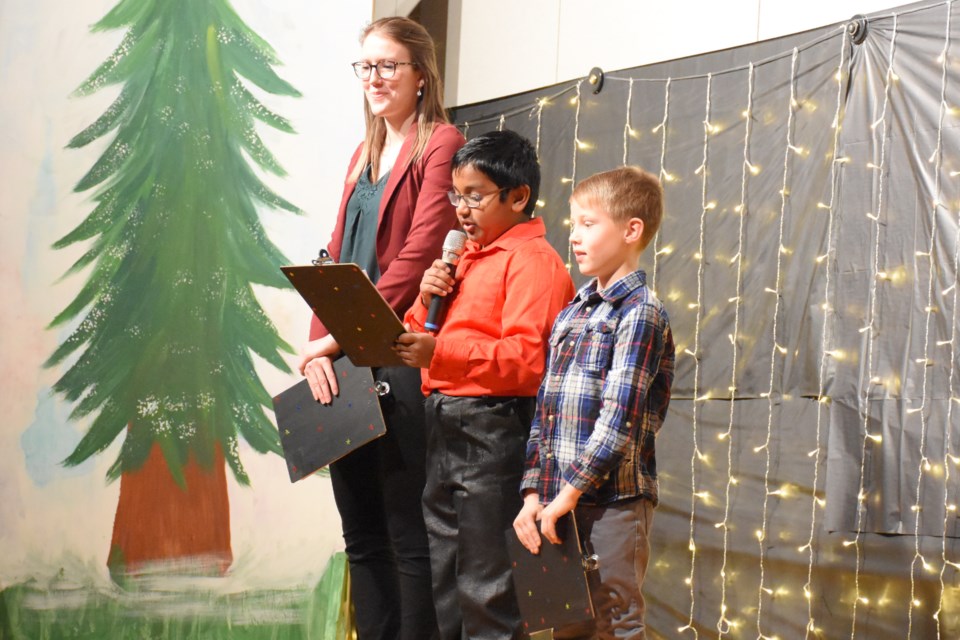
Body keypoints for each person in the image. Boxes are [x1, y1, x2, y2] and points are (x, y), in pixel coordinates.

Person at [298, 16, 464, 640]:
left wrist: (333, 339)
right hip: (344, 359)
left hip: (393, 352)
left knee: (405, 535)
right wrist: (317, 349)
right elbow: (336, 260)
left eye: (388, 65)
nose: (374, 77)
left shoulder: (439, 142)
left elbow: (417, 258)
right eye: (365, 65)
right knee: (360, 537)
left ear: (421, 74)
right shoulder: (361, 155)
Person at [394, 130, 575, 640]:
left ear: (518, 197)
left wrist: (441, 353)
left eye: (475, 196)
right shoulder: (465, 256)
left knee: (487, 586)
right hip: (444, 423)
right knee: (448, 579)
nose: (462, 210)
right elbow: (419, 338)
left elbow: (526, 362)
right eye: (457, 196)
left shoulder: (532, 261)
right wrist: (424, 299)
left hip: (493, 429)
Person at [513, 166, 676, 639]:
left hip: (613, 503)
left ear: (631, 230)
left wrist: (568, 493)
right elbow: (545, 413)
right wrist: (533, 493)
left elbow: (618, 418)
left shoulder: (641, 311)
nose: (575, 236)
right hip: (559, 502)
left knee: (614, 619)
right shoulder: (572, 312)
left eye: (589, 223)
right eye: (574, 224)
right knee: (568, 622)